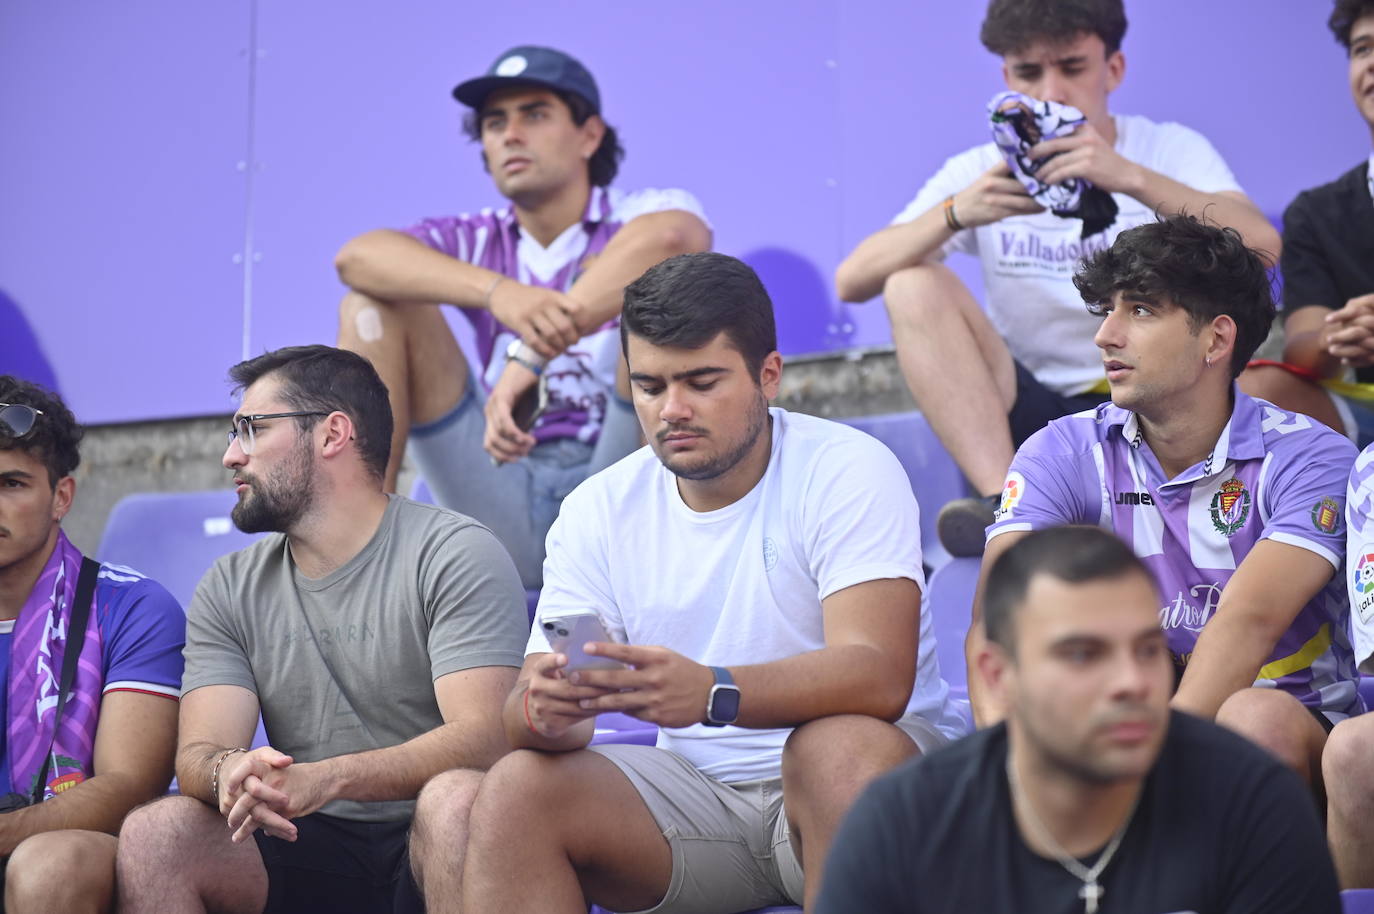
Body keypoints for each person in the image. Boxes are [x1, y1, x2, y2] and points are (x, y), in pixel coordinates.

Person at [408, 252, 965, 913]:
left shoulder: (847, 469)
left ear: (770, 375)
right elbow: (533, 709)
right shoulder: (598, 508)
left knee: (838, 749)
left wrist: (712, 691)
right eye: (649, 386)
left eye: (701, 382)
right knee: (515, 788)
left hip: (859, 786)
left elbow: (878, 675)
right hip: (696, 803)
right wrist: (545, 711)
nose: (671, 409)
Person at [834, 0, 1280, 557]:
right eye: (1028, 73)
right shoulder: (980, 171)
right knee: (910, 284)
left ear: (1113, 69)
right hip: (1029, 410)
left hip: (1150, 404)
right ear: (1005, 79)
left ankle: (1135, 505)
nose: (1051, 93)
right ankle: (1007, 507)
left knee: (1253, 387)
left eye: (1072, 67)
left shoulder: (1164, 149)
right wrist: (955, 212)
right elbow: (852, 280)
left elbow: (1261, 245)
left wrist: (1128, 177)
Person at [112, 346, 528, 914]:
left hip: (434, 842)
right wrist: (229, 770)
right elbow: (199, 754)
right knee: (158, 832)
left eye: (252, 429)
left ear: (332, 434)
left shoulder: (455, 552)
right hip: (303, 839)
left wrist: (327, 779)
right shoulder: (229, 585)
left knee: (458, 802)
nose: (231, 455)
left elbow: (484, 740)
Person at [973, 215, 1359, 794]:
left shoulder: (1311, 456)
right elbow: (995, 623)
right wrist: (1013, 774)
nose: (1106, 334)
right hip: (1119, 739)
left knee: (1253, 718)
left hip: (1291, 739)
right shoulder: (1061, 447)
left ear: (1217, 339)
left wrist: (1139, 779)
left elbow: (1246, 624)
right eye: (1107, 309)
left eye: (1142, 310)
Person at [336, 44, 711, 588]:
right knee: (371, 304)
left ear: (589, 135)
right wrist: (499, 294)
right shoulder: (476, 237)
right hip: (498, 477)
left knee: (660, 297)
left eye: (534, 115)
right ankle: (357, 558)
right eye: (494, 123)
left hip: (622, 468)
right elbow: (357, 257)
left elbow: (677, 238)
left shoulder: (639, 215)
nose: (510, 134)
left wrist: (530, 351)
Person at [817, 526, 1342, 914]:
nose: (1131, 682)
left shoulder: (1251, 799)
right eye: (1083, 654)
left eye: (1146, 650)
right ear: (997, 675)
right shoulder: (903, 822)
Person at [0, 376, 185, 914]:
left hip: (67, 846)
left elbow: (130, 787)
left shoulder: (133, 606)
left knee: (51, 866)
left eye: (12, 484)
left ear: (61, 497)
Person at [1239, 0, 1374, 445]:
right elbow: (1303, 346)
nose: (1371, 62)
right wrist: (1338, 337)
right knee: (1254, 393)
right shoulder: (1316, 213)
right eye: (1362, 49)